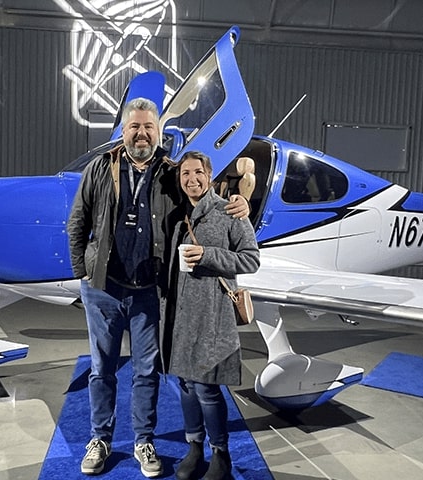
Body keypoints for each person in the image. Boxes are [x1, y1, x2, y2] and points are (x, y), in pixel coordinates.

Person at [67, 98, 250, 477]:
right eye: (134, 127)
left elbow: (202, 198)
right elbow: (77, 221)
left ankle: (143, 441)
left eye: (148, 127)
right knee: (102, 369)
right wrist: (82, 273)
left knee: (146, 371)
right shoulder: (100, 168)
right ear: (123, 130)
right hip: (102, 289)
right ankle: (100, 438)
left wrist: (240, 202)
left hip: (149, 291)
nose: (141, 133)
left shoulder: (171, 173)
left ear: (157, 131)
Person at [163, 151, 260, 480]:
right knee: (187, 386)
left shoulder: (230, 211)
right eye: (185, 174)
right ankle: (194, 447)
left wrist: (209, 255)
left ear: (209, 175)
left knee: (206, 388)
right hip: (180, 316)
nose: (191, 179)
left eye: (197, 173)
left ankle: (221, 453)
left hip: (213, 315)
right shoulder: (177, 217)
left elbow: (251, 260)